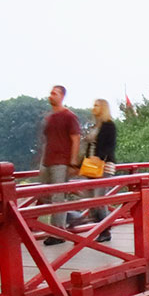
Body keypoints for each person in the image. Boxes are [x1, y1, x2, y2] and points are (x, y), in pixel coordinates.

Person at [40, 85, 81, 246]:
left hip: (61, 161)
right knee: (44, 195)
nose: (51, 96)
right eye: (50, 93)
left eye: (54, 93)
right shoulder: (49, 118)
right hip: (48, 161)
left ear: (62, 96)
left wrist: (72, 162)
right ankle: (72, 215)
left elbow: (75, 138)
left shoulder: (69, 116)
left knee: (58, 196)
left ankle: (57, 232)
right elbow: (47, 140)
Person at [79, 99, 117, 242]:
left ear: (103, 108)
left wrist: (99, 157)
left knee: (98, 198)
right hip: (91, 164)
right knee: (90, 198)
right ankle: (99, 226)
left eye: (96, 105)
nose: (93, 108)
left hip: (104, 164)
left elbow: (109, 146)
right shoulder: (95, 126)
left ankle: (105, 230)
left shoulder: (109, 125)